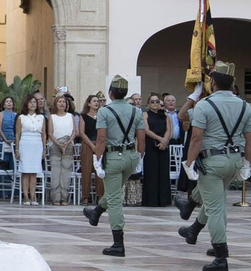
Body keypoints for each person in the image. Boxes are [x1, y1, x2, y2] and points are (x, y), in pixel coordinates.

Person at [180, 62, 251, 271]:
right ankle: (193, 220)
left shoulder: (205, 105)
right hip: (234, 160)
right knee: (218, 200)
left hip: (212, 161)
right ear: (232, 83)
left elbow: (195, 137)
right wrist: (247, 164)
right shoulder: (245, 106)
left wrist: (189, 163)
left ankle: (221, 257)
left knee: (214, 208)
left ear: (212, 82)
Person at [83, 75, 145, 256]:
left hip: (113, 157)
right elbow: (141, 138)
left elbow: (101, 138)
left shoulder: (104, 111)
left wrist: (97, 159)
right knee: (114, 190)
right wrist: (140, 157)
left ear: (110, 93)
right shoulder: (136, 111)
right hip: (131, 156)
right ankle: (96, 212)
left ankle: (118, 243)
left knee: (115, 199)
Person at [142, 92, 174, 208]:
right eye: (152, 101)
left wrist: (165, 141)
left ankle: (163, 200)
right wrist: (160, 139)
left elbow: (169, 130)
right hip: (151, 145)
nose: (155, 103)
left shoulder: (165, 115)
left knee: (163, 172)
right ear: (148, 103)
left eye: (157, 101)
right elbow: (146, 130)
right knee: (152, 172)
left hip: (163, 146)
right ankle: (151, 200)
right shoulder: (145, 114)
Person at [47, 94, 78, 206]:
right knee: (56, 171)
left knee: (66, 171)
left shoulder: (70, 116)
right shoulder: (52, 117)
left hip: (68, 144)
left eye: (63, 102)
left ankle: (65, 198)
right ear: (56, 104)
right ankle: (56, 197)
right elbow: (50, 133)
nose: (61, 103)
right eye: (59, 101)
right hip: (55, 144)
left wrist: (67, 142)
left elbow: (74, 132)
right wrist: (59, 144)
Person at [15, 94, 45, 202]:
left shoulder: (41, 117)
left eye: (34, 102)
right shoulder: (21, 117)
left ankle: (33, 197)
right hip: (25, 143)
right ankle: (26, 197)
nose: (33, 104)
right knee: (25, 171)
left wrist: (44, 149)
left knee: (34, 172)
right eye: (31, 102)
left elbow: (44, 135)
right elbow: (17, 134)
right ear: (26, 104)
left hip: (37, 144)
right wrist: (17, 149)